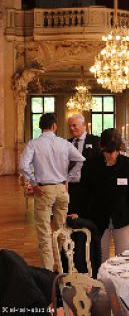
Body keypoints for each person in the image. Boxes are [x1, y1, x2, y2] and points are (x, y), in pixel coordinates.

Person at [19, 113, 85, 270]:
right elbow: (80, 159)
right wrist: (68, 178)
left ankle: (48, 273)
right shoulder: (63, 143)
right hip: (62, 189)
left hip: (44, 190)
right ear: (54, 126)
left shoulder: (34, 144)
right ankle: (64, 268)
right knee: (62, 231)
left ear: (40, 127)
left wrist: (33, 182)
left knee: (44, 235)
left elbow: (22, 166)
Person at [81, 128, 129, 262]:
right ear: (101, 147)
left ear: (120, 148)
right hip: (97, 219)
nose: (112, 155)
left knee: (124, 259)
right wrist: (83, 219)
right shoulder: (91, 165)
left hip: (123, 219)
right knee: (100, 260)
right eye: (108, 152)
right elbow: (84, 194)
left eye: (115, 151)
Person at [66, 113, 100, 216]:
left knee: (85, 217)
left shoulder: (95, 140)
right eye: (69, 126)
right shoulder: (67, 143)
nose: (71, 128)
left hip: (87, 187)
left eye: (74, 125)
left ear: (83, 125)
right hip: (70, 187)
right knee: (70, 217)